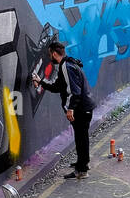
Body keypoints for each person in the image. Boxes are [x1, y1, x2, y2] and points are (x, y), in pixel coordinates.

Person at [35, 41, 95, 179]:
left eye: (50, 54)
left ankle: (82, 170)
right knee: (81, 138)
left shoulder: (66, 67)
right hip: (83, 108)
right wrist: (41, 81)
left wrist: (71, 109)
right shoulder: (66, 64)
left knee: (81, 138)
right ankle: (82, 163)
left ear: (54, 54)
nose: (50, 57)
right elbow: (58, 87)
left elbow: (75, 91)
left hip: (81, 109)